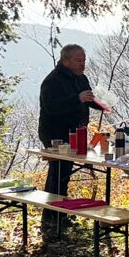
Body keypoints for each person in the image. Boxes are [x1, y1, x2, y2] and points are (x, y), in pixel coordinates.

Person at [37, 44, 105, 234]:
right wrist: (77, 98)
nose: (82, 64)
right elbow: (51, 107)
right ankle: (55, 217)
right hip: (55, 134)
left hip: (76, 133)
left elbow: (88, 99)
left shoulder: (81, 78)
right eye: (78, 60)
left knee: (63, 174)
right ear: (65, 61)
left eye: (84, 60)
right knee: (59, 174)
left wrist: (104, 105)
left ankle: (56, 215)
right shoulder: (52, 81)